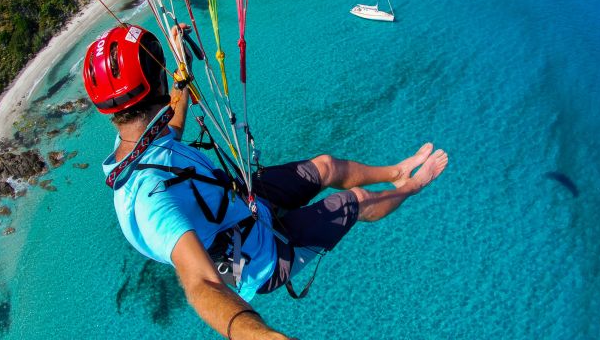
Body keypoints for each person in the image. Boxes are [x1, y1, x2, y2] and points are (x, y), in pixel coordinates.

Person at [84, 24, 448, 340]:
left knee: (325, 166)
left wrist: (183, 74)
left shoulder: (132, 142)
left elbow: (171, 130)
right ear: (153, 83)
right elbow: (201, 284)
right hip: (261, 256)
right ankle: (410, 187)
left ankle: (396, 171)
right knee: (354, 200)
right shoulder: (152, 205)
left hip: (243, 201)